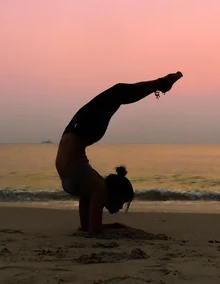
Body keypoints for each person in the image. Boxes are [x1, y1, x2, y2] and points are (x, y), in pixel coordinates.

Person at [55, 71, 183, 235]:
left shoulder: (91, 187)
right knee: (118, 92)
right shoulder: (98, 189)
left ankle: (161, 84)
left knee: (118, 93)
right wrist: (128, 231)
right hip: (78, 137)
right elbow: (94, 233)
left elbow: (87, 229)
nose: (120, 208)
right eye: (122, 202)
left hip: (74, 137)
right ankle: (161, 84)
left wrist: (117, 227)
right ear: (115, 194)